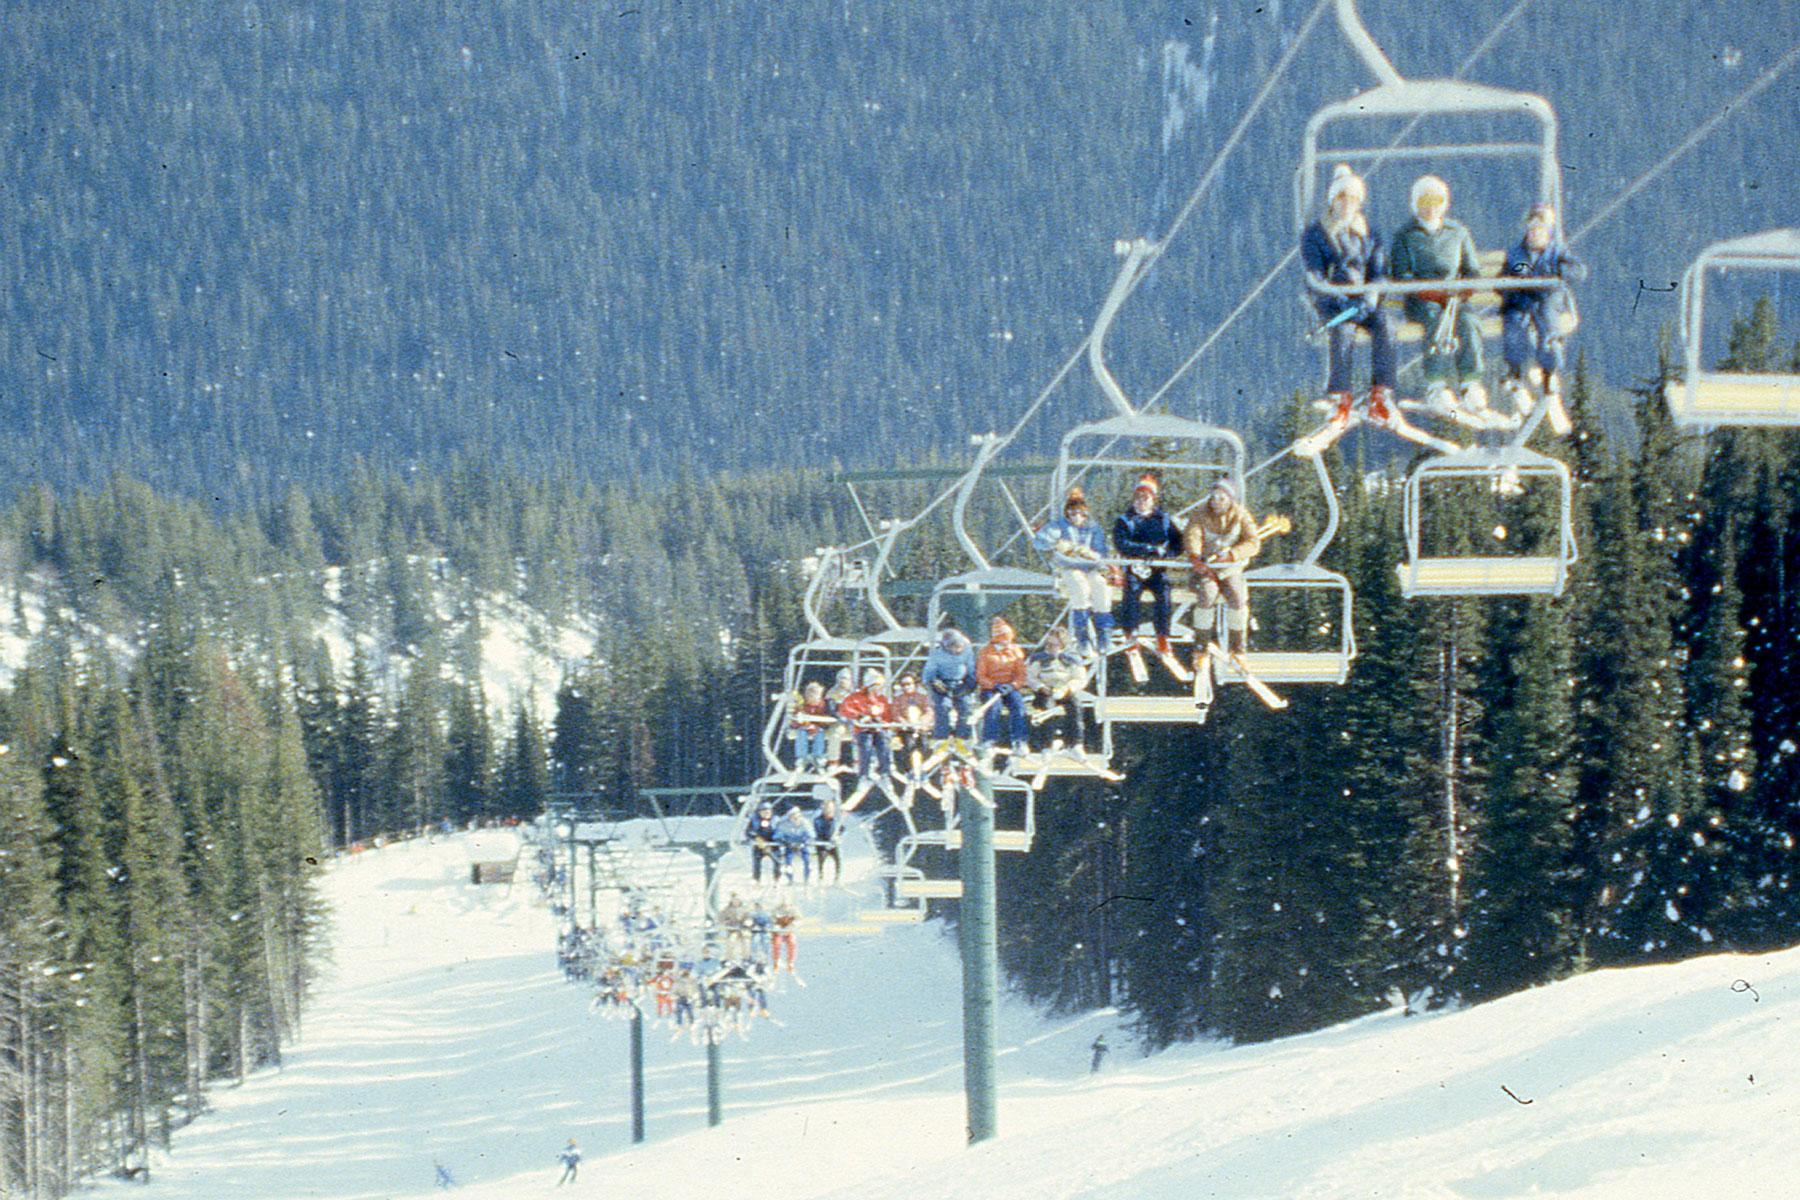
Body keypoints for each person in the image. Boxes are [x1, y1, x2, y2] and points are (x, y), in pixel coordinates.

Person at [1301, 163, 1397, 425]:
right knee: (1343, 332)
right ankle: (1340, 396)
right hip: (1335, 301)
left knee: (1386, 325)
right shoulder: (1318, 233)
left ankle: (1382, 393)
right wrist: (1335, 297)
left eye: (1353, 198)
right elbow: (1315, 274)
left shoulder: (1368, 233)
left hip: (1363, 300)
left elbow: (1378, 270)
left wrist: (1372, 294)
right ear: (1333, 200)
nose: (1347, 203)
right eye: (1342, 197)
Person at [1389, 174, 1489, 420]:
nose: (1431, 207)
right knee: (1435, 319)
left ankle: (1470, 382)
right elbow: (1401, 275)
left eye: (1436, 201)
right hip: (1422, 300)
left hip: (1454, 298)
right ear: (1416, 204)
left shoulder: (1457, 232)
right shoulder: (1406, 235)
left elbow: (1472, 270)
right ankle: (1437, 383)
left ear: (1444, 203)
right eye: (1425, 201)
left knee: (1467, 320)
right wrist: (1427, 292)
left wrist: (1464, 290)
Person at [1500, 202, 1587, 413]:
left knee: (1549, 329)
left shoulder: (1556, 252)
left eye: (1540, 229)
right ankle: (1515, 374)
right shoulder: (1516, 254)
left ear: (1547, 231)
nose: (1535, 233)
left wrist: (1561, 274)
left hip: (1547, 301)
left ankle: (1550, 375)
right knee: (1514, 328)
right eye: (1532, 228)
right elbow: (1502, 279)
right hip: (1522, 301)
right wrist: (1510, 289)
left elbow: (1579, 271)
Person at [1182, 478, 1263, 657]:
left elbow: (1253, 542)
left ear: (1230, 499)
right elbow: (1191, 535)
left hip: (1229, 567)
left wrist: (1232, 555)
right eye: (1214, 497)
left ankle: (1238, 648)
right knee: (1207, 595)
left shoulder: (1241, 515)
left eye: (1221, 498)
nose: (1216, 502)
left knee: (1238, 596)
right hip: (1206, 567)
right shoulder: (1200, 514)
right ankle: (1201, 646)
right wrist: (1196, 557)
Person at [1032, 486, 1116, 657]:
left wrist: (1091, 556)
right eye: (1072, 513)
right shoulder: (1060, 527)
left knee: (1101, 587)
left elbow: (1101, 552)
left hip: (1090, 567)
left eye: (1080, 513)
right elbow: (1040, 541)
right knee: (1080, 588)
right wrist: (1057, 544)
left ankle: (1104, 636)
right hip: (1069, 566)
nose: (1076, 517)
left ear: (1085, 514)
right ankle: (1082, 637)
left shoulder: (1093, 529)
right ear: (1067, 513)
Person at [1112, 475, 1184, 657]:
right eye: (1138, 498)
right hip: (1134, 567)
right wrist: (1147, 549)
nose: (1141, 502)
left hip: (1157, 569)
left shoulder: (1163, 519)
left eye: (1145, 498)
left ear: (1153, 499)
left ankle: (1162, 636)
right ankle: (1130, 635)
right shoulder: (1125, 520)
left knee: (1164, 595)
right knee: (1130, 596)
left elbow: (1178, 543)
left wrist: (1167, 555)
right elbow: (1121, 543)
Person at [1026, 625, 1089, 752]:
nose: (1051, 647)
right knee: (1046, 707)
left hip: (1064, 689)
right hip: (1045, 690)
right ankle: (1047, 744)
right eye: (1049, 643)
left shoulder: (1071, 659)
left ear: (1062, 644)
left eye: (1055, 644)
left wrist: (1067, 688)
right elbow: (1030, 677)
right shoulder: (1039, 658)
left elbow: (1080, 678)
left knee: (1075, 706)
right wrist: (1040, 687)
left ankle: (1075, 743)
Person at [976, 615, 1030, 754]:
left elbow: (1021, 673)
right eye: (1004, 639)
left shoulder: (1015, 651)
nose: (1006, 643)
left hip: (1010, 687)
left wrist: (1014, 685)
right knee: (993, 707)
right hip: (991, 687)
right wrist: (993, 685)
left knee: (1018, 706)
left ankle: (1019, 740)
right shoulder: (985, 652)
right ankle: (989, 739)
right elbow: (980, 675)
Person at [922, 626, 977, 750]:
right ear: (946, 646)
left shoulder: (967, 651)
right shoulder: (937, 654)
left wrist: (970, 683)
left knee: (966, 707)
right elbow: (928, 672)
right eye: (953, 646)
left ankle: (962, 737)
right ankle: (941, 738)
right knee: (943, 707)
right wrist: (934, 682)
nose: (957, 649)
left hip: (961, 682)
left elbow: (971, 667)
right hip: (942, 683)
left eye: (959, 646)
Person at [836, 669, 896, 783]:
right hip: (863, 729)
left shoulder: (881, 699)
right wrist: (860, 716)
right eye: (876, 686)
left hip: (878, 728)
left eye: (880, 686)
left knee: (884, 743)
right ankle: (864, 773)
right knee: (866, 745)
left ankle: (885, 772)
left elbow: (887, 714)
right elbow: (845, 709)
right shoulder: (856, 697)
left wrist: (882, 722)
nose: (878, 689)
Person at [789, 680, 833, 775]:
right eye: (811, 697)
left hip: (818, 727)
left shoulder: (823, 705)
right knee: (801, 733)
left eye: (816, 697)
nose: (813, 700)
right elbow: (796, 719)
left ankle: (818, 756)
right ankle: (801, 757)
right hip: (804, 727)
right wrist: (805, 724)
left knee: (820, 734)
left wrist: (818, 724)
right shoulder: (802, 705)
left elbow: (827, 719)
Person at [775, 805, 814, 885]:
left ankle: (807, 879)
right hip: (790, 845)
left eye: (798, 815)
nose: (796, 818)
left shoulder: (805, 823)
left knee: (807, 860)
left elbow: (811, 834)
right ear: (789, 816)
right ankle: (790, 879)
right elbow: (777, 836)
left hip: (802, 844)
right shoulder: (784, 825)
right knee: (788, 861)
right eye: (793, 815)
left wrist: (804, 842)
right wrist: (786, 842)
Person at [746, 800, 781, 884]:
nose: (766, 813)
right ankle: (756, 879)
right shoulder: (755, 820)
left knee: (777, 862)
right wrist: (756, 837)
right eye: (764, 811)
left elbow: (780, 831)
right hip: (759, 845)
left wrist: (777, 838)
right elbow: (749, 831)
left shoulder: (776, 820)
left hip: (773, 845)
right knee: (756, 863)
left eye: (768, 811)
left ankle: (777, 879)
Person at [813, 798, 843, 884]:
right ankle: (821, 877)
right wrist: (828, 839)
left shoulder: (835, 820)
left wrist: (838, 836)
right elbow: (820, 832)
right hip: (822, 844)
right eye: (827, 808)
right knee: (821, 859)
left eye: (831, 808)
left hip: (833, 844)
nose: (829, 810)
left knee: (838, 860)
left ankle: (837, 878)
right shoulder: (818, 820)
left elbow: (842, 829)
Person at [771, 896, 800, 972]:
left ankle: (790, 962)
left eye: (787, 904)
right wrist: (777, 928)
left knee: (792, 943)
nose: (785, 905)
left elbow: (797, 920)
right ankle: (776, 960)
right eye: (784, 904)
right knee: (776, 943)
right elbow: (772, 920)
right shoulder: (776, 910)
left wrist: (790, 927)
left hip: (789, 931)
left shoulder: (794, 910)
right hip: (778, 931)